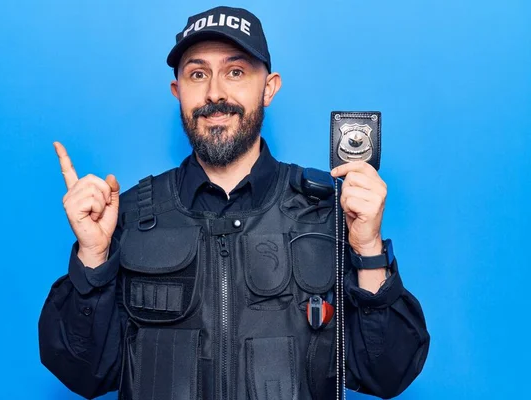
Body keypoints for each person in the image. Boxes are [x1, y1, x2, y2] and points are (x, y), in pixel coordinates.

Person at [38, 6, 430, 400]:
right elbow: (83, 375)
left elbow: (387, 375)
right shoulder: (126, 215)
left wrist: (367, 249)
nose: (215, 93)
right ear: (178, 92)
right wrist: (93, 257)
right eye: (197, 74)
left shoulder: (331, 212)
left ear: (269, 88)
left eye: (236, 72)